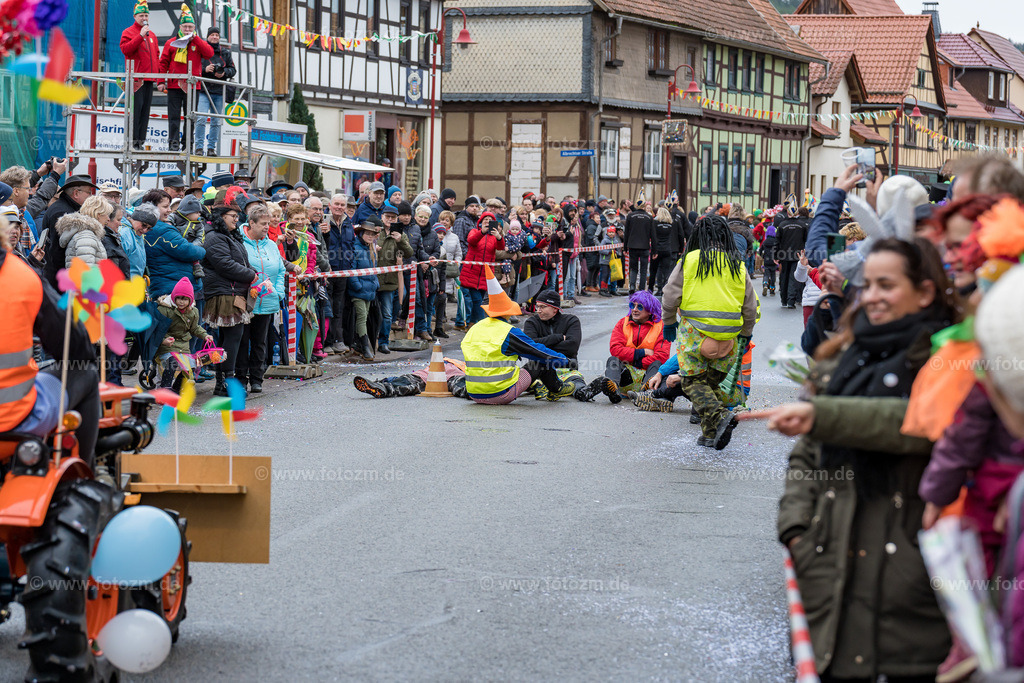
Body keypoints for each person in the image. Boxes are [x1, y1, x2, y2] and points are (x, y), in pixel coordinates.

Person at [762, 236, 960, 681]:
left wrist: (822, 414)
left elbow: (922, 426)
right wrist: (796, 529)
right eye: (866, 284)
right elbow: (807, 459)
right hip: (830, 569)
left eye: (885, 285)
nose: (871, 296)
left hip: (913, 587)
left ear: (925, 292)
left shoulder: (950, 363)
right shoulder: (844, 357)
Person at [0, 228, 102, 467]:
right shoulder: (21, 276)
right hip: (10, 422)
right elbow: (73, 344)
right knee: (84, 371)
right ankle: (80, 478)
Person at [661, 215, 760, 449]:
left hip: (697, 335)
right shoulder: (738, 263)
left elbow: (670, 295)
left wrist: (668, 322)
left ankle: (719, 416)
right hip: (728, 339)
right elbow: (750, 305)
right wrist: (746, 333)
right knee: (711, 384)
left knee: (691, 382)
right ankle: (709, 434)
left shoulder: (691, 260)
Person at [458, 266, 573, 404]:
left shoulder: (474, 328)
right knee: (539, 362)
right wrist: (564, 360)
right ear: (507, 311)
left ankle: (540, 386)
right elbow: (536, 351)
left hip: (473, 393)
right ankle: (557, 388)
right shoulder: (508, 331)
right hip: (500, 393)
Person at [201, 205, 256, 396]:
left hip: (231, 291)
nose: (236, 219)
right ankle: (226, 382)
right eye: (232, 216)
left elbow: (238, 262)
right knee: (231, 339)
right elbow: (224, 265)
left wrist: (251, 273)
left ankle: (221, 382)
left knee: (227, 340)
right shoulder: (215, 237)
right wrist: (251, 275)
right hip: (225, 293)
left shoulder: (227, 236)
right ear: (221, 217)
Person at [522, 289, 613, 402]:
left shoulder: (571, 321)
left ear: (555, 309)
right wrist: (558, 338)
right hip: (539, 369)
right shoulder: (531, 323)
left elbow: (572, 347)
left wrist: (540, 346)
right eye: (537, 306)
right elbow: (529, 347)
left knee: (577, 384)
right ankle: (540, 386)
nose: (538, 310)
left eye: (542, 307)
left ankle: (586, 391)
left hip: (566, 368)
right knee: (525, 375)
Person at [239, 205, 285, 393]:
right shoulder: (240, 243)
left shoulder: (272, 245)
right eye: (263, 224)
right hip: (246, 301)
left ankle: (257, 379)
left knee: (260, 342)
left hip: (268, 301)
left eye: (268, 223)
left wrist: (279, 291)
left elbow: (281, 270)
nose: (267, 227)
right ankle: (241, 378)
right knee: (243, 342)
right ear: (251, 223)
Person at [158, 4, 213, 152]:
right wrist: (160, 82)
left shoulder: (197, 42)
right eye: (185, 27)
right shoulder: (171, 43)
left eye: (190, 27)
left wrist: (196, 39)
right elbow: (163, 63)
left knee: (190, 117)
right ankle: (173, 143)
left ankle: (187, 143)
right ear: (180, 27)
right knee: (174, 117)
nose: (188, 30)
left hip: (192, 86)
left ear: (194, 28)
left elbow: (209, 53)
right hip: (174, 85)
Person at [602, 290, 670, 403]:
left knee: (657, 364)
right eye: (632, 305)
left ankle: (646, 392)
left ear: (650, 310)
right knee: (613, 360)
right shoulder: (622, 323)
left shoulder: (661, 327)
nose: (634, 309)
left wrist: (636, 362)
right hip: (626, 378)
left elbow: (661, 356)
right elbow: (615, 350)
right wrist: (642, 352)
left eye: (640, 307)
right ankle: (613, 388)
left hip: (649, 374)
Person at [143, 189, 205, 299]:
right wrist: (202, 250)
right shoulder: (163, 230)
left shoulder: (147, 228)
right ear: (152, 208)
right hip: (173, 290)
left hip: (163, 287)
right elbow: (187, 251)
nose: (169, 210)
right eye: (165, 207)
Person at [40, 175, 97, 287]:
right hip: (59, 281)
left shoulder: (65, 208)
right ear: (76, 193)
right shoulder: (62, 213)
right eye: (89, 192)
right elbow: (57, 253)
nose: (91, 196)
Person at [154, 277, 211, 389]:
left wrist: (205, 335)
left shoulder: (193, 312)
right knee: (172, 362)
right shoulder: (164, 309)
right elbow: (157, 329)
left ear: (190, 300)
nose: (181, 301)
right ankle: (164, 388)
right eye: (179, 298)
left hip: (183, 346)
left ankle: (176, 389)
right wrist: (163, 340)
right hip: (167, 346)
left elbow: (194, 328)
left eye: (185, 299)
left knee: (192, 365)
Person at [120, 0, 161, 149]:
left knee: (145, 112)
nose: (144, 18)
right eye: (141, 15)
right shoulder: (128, 32)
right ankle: (132, 142)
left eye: (146, 15)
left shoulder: (153, 36)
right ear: (135, 16)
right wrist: (140, 36)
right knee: (136, 111)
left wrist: (158, 77)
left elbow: (156, 55)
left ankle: (140, 142)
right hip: (136, 79)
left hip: (149, 79)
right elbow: (126, 50)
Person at [375, 213, 413, 354]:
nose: (390, 220)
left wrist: (400, 241)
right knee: (371, 314)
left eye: (393, 217)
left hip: (390, 281)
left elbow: (409, 253)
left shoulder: (400, 235)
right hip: (373, 279)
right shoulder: (376, 230)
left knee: (387, 314)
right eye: (387, 216)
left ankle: (383, 342)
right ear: (382, 216)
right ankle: (369, 341)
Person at [195, 26, 235, 156]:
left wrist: (223, 73)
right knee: (201, 118)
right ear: (207, 37)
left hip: (219, 91)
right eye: (212, 35)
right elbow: (193, 67)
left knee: (216, 121)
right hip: (203, 90)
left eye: (217, 35)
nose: (214, 37)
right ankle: (199, 147)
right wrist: (205, 70)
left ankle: (211, 148)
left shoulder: (225, 53)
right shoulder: (200, 50)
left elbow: (233, 70)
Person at [459, 211, 505, 325]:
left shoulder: (494, 237)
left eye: (490, 219)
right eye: (485, 219)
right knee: (476, 300)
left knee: (478, 300)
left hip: (486, 274)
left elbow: (501, 247)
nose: (488, 221)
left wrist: (499, 237)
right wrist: (482, 232)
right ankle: (480, 323)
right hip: (472, 272)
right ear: (481, 221)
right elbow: (471, 241)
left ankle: (472, 323)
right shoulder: (474, 231)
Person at [348, 216, 382, 361]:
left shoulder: (371, 249)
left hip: (370, 290)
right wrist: (358, 286)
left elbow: (373, 269)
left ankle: (358, 345)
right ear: (361, 234)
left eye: (372, 234)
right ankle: (365, 347)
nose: (370, 236)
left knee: (365, 317)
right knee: (362, 317)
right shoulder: (355, 248)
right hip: (359, 291)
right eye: (367, 233)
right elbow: (351, 270)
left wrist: (375, 284)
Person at [324, 193, 352, 354]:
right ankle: (328, 341)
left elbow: (350, 245)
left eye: (342, 205)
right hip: (328, 271)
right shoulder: (325, 222)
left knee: (339, 307)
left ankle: (338, 340)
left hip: (343, 271)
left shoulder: (348, 223)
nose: (339, 207)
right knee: (327, 307)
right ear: (330, 205)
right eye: (337, 204)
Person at [56, 198, 108, 268]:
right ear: (98, 214)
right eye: (107, 214)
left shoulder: (85, 234)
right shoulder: (86, 236)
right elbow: (86, 273)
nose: (108, 218)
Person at [623, 192, 654, 294]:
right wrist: (654, 249)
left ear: (636, 204)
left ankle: (632, 286)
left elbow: (626, 233)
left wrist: (625, 248)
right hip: (644, 246)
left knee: (634, 268)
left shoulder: (631, 216)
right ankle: (641, 288)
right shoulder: (649, 217)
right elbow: (652, 234)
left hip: (632, 246)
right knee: (644, 269)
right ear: (645, 205)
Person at [650, 206, 684, 295]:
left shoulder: (655, 223)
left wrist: (654, 250)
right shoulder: (670, 224)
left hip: (657, 249)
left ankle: (656, 288)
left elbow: (653, 237)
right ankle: (666, 289)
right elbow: (680, 235)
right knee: (666, 271)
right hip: (667, 249)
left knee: (655, 270)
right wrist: (681, 248)